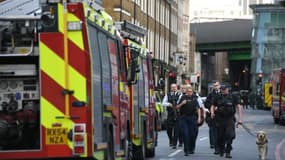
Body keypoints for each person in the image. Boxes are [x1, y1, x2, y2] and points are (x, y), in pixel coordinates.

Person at [210, 85, 243, 158]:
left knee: (230, 135)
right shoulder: (217, 97)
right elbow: (212, 105)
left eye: (224, 89)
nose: (223, 90)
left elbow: (239, 107)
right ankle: (221, 148)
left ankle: (228, 151)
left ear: (228, 89)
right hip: (220, 118)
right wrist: (212, 113)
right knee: (220, 137)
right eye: (222, 89)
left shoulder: (233, 96)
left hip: (229, 118)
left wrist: (240, 119)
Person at [176, 87, 201, 156]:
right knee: (185, 134)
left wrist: (199, 118)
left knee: (192, 135)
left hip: (192, 118)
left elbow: (198, 108)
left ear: (192, 92)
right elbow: (177, 107)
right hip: (184, 118)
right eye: (188, 91)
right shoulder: (183, 97)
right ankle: (186, 150)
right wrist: (182, 104)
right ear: (186, 92)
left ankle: (191, 148)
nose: (189, 93)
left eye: (191, 91)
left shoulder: (194, 98)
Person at [162, 83, 181, 147]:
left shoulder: (180, 94)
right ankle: (171, 139)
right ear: (170, 88)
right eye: (172, 87)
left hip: (177, 114)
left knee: (176, 129)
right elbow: (163, 103)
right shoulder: (168, 95)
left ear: (177, 88)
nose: (173, 88)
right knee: (169, 129)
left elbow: (181, 102)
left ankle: (174, 143)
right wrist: (169, 104)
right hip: (170, 114)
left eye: (175, 87)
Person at [204, 81, 220, 154]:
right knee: (212, 129)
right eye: (214, 86)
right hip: (211, 114)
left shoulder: (221, 93)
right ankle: (212, 143)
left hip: (220, 115)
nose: (215, 87)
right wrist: (212, 107)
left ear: (219, 86)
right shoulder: (210, 94)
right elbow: (206, 103)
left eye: (217, 85)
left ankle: (219, 143)